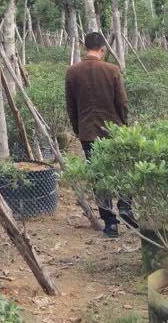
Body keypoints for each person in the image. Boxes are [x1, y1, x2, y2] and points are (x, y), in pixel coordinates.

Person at [65, 31, 137, 238]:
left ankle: (110, 224)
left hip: (88, 133)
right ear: (103, 49)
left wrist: (78, 130)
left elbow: (71, 107)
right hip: (113, 132)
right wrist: (124, 124)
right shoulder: (112, 70)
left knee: (99, 175)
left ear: (84, 47)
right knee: (123, 170)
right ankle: (125, 206)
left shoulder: (72, 72)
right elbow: (122, 103)